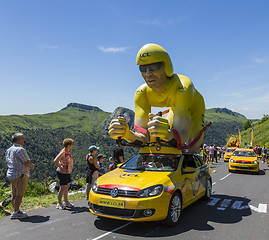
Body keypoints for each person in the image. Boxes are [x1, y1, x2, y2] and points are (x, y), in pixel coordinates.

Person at [109, 43, 205, 153]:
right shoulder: (141, 93)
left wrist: (168, 134)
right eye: (143, 69)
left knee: (191, 149)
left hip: (194, 108)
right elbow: (143, 137)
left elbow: (182, 135)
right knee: (162, 139)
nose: (148, 74)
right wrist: (127, 134)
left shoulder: (183, 86)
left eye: (154, 68)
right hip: (175, 107)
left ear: (166, 67)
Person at [5, 133, 35, 219]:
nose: (24, 139)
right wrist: (32, 165)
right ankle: (16, 212)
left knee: (14, 194)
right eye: (22, 138)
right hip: (20, 174)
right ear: (18, 140)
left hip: (11, 174)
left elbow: (7, 162)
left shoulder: (9, 149)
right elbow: (26, 162)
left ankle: (15, 210)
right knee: (19, 194)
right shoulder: (20, 150)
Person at [54, 138, 74, 210]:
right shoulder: (63, 152)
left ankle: (66, 201)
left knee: (67, 185)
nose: (72, 145)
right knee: (62, 187)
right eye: (72, 144)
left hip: (67, 172)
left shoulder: (68, 151)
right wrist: (61, 167)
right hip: (62, 172)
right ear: (68, 145)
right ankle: (59, 203)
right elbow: (56, 160)